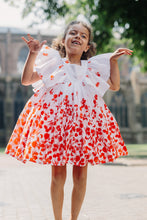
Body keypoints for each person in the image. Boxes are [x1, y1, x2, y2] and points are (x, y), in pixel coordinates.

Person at [5, 20, 133, 220]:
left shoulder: (92, 68)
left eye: (83, 36)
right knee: (58, 175)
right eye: (73, 33)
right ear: (63, 40)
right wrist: (33, 54)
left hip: (84, 127)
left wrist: (113, 62)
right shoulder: (54, 64)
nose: (78, 37)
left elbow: (115, 85)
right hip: (58, 126)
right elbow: (27, 79)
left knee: (81, 176)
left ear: (87, 47)